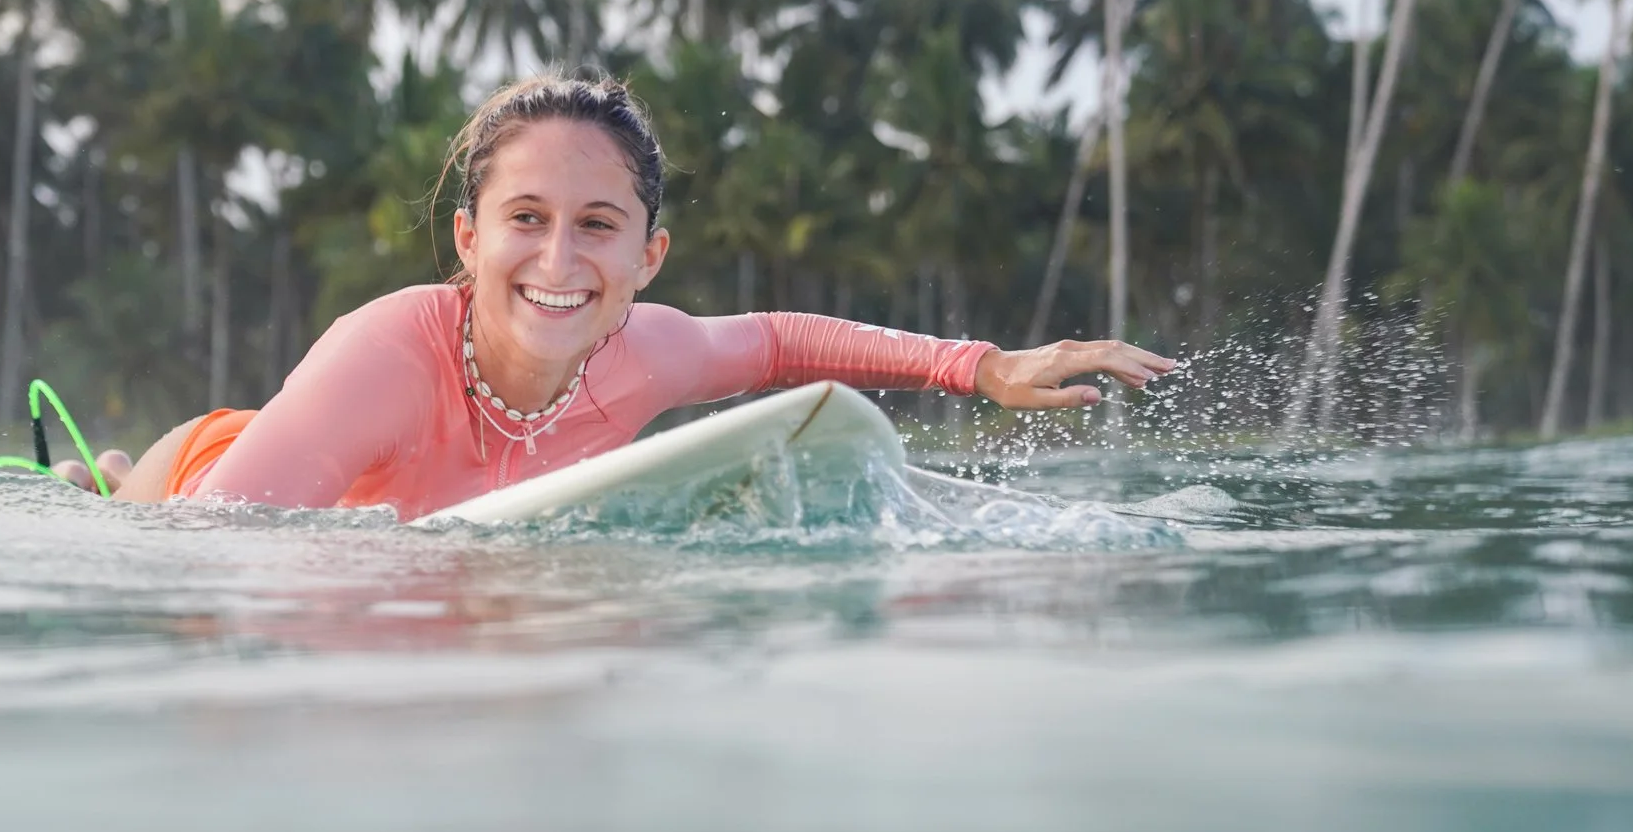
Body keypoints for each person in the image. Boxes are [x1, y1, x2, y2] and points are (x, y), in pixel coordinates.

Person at [63, 73, 1174, 518]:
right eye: (525, 221)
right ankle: (106, 474)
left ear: (649, 256)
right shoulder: (386, 350)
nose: (558, 262)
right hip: (215, 476)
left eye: (597, 227)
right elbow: (214, 553)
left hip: (364, 486)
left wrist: (981, 367)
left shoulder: (650, 352)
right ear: (468, 237)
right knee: (123, 505)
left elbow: (781, 339)